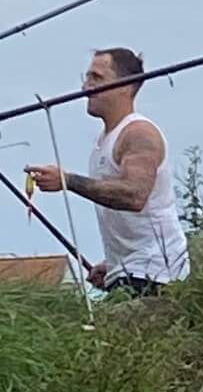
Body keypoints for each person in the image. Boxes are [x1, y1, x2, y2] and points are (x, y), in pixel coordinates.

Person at [28, 47, 189, 296]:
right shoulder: (104, 140)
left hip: (155, 274)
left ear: (126, 86)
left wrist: (67, 181)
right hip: (128, 271)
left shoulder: (138, 134)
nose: (85, 87)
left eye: (96, 78)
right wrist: (112, 265)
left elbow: (134, 196)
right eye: (87, 77)